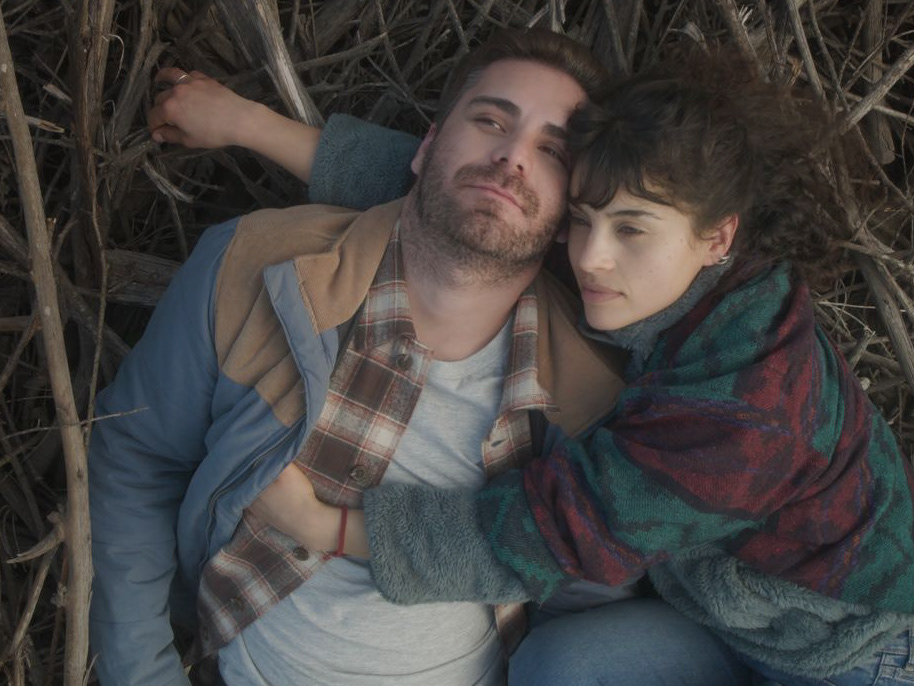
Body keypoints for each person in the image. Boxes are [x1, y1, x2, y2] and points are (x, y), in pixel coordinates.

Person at [243, 52, 914, 685]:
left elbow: (556, 533)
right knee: (558, 665)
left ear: (719, 237)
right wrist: (245, 124)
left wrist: (325, 528)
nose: (590, 256)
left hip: (850, 657)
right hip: (733, 620)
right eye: (583, 220)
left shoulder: (748, 411)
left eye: (630, 228)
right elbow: (466, 204)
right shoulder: (661, 276)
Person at [90, 28, 625, 686]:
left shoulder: (589, 393)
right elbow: (135, 460)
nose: (512, 157)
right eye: (490, 120)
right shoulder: (253, 268)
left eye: (552, 150)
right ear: (425, 147)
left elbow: (586, 590)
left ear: (572, 214)